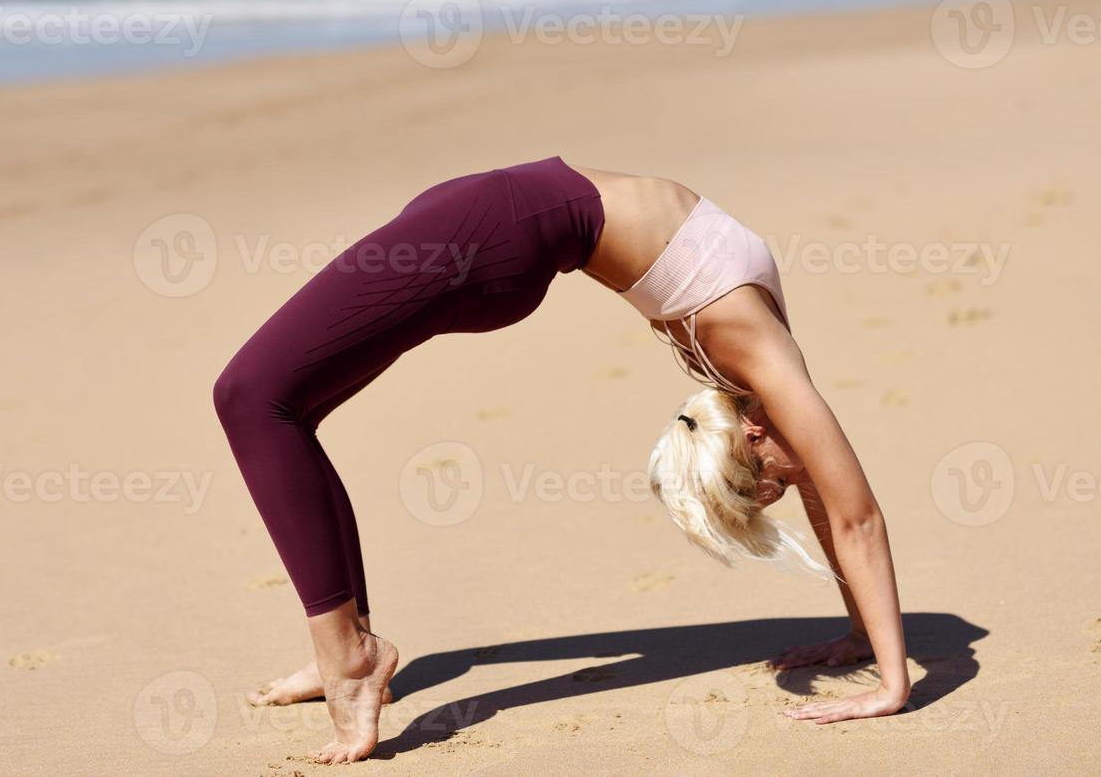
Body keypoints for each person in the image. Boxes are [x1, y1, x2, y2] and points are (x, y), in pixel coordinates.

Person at [213, 155, 908, 764]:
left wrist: (862, 640)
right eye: (780, 485)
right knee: (264, 400)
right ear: (754, 439)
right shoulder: (763, 362)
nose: (803, 473)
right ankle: (348, 646)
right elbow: (856, 517)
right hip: (495, 223)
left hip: (500, 223)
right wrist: (891, 681)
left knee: (252, 397)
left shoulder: (754, 365)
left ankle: (349, 655)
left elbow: (831, 497)